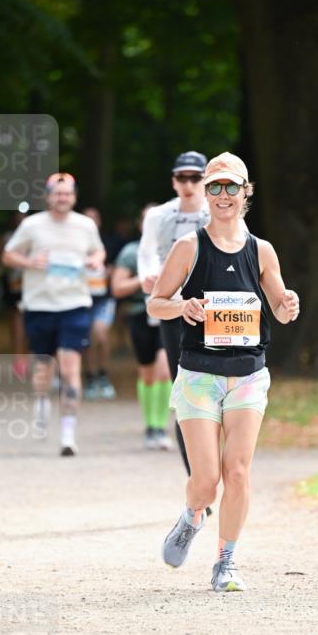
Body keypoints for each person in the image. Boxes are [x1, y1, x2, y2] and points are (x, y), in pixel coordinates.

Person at [147, 153, 299, 592]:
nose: (223, 195)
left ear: (246, 192)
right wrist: (182, 307)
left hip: (249, 374)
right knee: (206, 481)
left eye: (232, 187)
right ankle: (192, 517)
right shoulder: (189, 247)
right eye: (215, 187)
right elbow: (156, 302)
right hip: (199, 375)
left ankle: (225, 561)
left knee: (237, 470)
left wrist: (288, 305)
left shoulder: (262, 251)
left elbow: (281, 309)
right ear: (206, 195)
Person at [2, 172, 105, 457]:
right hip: (39, 305)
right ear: (48, 196)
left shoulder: (85, 225)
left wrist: (94, 262)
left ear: (74, 196)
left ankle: (68, 434)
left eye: (68, 193)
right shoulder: (32, 225)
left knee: (71, 368)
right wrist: (30, 261)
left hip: (74, 304)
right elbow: (8, 255)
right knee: (43, 367)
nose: (63, 198)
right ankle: (41, 402)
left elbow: (99, 253)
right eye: (57, 193)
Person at [138, 151, 209, 473]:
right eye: (183, 177)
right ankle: (194, 475)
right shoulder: (159, 216)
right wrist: (150, 277)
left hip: (212, 309)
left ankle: (215, 468)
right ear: (174, 181)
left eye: (196, 177)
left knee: (215, 386)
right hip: (174, 308)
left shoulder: (218, 212)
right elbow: (147, 253)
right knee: (183, 387)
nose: (189, 184)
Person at [112, 204, 174, 451]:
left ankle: (161, 427)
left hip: (168, 314)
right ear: (142, 224)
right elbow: (116, 288)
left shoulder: (178, 246)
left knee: (164, 370)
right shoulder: (131, 252)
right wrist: (143, 279)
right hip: (140, 314)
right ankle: (150, 426)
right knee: (147, 374)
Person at [81, 207, 118, 401]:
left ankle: (103, 374)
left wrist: (110, 271)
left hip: (104, 298)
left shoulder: (109, 243)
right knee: (86, 339)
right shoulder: (75, 242)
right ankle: (89, 376)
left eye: (94, 218)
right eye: (87, 219)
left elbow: (118, 268)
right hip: (82, 298)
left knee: (101, 335)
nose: (91, 222)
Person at [0, 211, 29, 379]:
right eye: (17, 216)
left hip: (32, 289)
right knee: (16, 325)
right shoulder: (7, 238)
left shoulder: (35, 236)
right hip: (14, 288)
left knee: (32, 326)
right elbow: (0, 261)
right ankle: (19, 362)